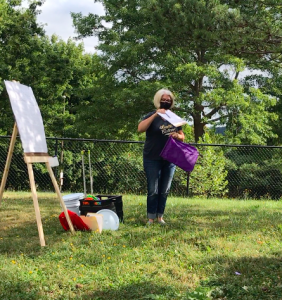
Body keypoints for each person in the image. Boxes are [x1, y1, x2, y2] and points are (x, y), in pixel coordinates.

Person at [138, 89, 185, 226]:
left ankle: (160, 217)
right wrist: (155, 115)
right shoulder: (151, 115)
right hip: (152, 157)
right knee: (153, 189)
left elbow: (182, 136)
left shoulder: (175, 117)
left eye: (169, 100)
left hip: (170, 159)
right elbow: (140, 129)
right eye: (163, 99)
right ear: (158, 100)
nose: (166, 101)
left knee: (164, 190)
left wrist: (177, 136)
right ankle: (151, 218)